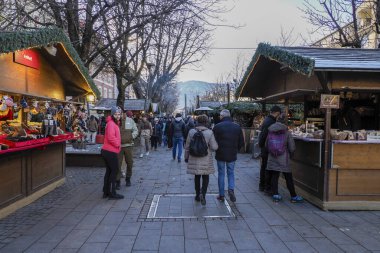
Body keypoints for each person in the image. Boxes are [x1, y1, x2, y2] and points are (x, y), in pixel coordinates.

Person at [265, 113, 303, 203]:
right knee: (288, 177)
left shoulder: (270, 130)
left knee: (275, 176)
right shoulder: (287, 132)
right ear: (285, 122)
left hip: (273, 157)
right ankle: (293, 196)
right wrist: (291, 154)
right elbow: (292, 147)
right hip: (284, 158)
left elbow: (267, 145)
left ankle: (276, 195)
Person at [185, 115, 218, 205]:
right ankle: (203, 195)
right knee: (205, 176)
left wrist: (186, 157)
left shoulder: (191, 131)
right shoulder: (209, 132)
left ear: (197, 121)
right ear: (206, 122)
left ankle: (197, 195)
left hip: (194, 157)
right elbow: (214, 147)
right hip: (205, 158)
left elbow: (187, 146)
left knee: (197, 176)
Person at [213, 109, 244, 202]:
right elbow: (241, 142)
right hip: (232, 154)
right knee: (231, 173)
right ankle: (231, 189)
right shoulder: (237, 127)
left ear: (222, 116)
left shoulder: (217, 127)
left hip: (220, 154)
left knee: (221, 174)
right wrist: (235, 149)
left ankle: (221, 195)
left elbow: (213, 141)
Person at [101, 106, 124, 199]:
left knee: (109, 171)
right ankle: (112, 193)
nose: (118, 116)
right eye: (116, 114)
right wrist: (118, 144)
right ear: (112, 114)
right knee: (114, 171)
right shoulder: (111, 124)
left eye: (119, 114)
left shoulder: (113, 123)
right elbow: (111, 137)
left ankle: (106, 192)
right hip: (110, 151)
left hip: (108, 150)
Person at [258, 105, 281, 192]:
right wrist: (262, 145)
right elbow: (264, 135)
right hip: (267, 148)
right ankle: (265, 186)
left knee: (264, 166)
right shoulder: (271, 121)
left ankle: (262, 185)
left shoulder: (268, 120)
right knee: (266, 167)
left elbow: (262, 134)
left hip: (265, 147)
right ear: (277, 113)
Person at [117, 110, 138, 188]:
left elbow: (135, 130)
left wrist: (131, 137)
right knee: (118, 163)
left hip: (128, 145)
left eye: (123, 113)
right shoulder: (116, 121)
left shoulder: (130, 120)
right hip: (118, 146)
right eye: (120, 113)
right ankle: (117, 180)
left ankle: (128, 178)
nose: (122, 114)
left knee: (130, 163)